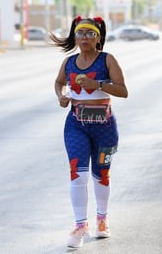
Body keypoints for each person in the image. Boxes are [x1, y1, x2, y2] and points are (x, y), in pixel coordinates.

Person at [51, 16, 128, 248]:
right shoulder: (69, 62)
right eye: (81, 33)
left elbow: (123, 91)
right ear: (75, 37)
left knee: (101, 174)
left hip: (104, 127)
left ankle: (102, 220)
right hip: (76, 124)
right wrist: (61, 96)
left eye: (90, 33)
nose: (85, 37)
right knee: (78, 174)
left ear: (98, 37)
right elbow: (58, 82)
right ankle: (80, 225)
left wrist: (99, 85)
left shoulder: (107, 60)